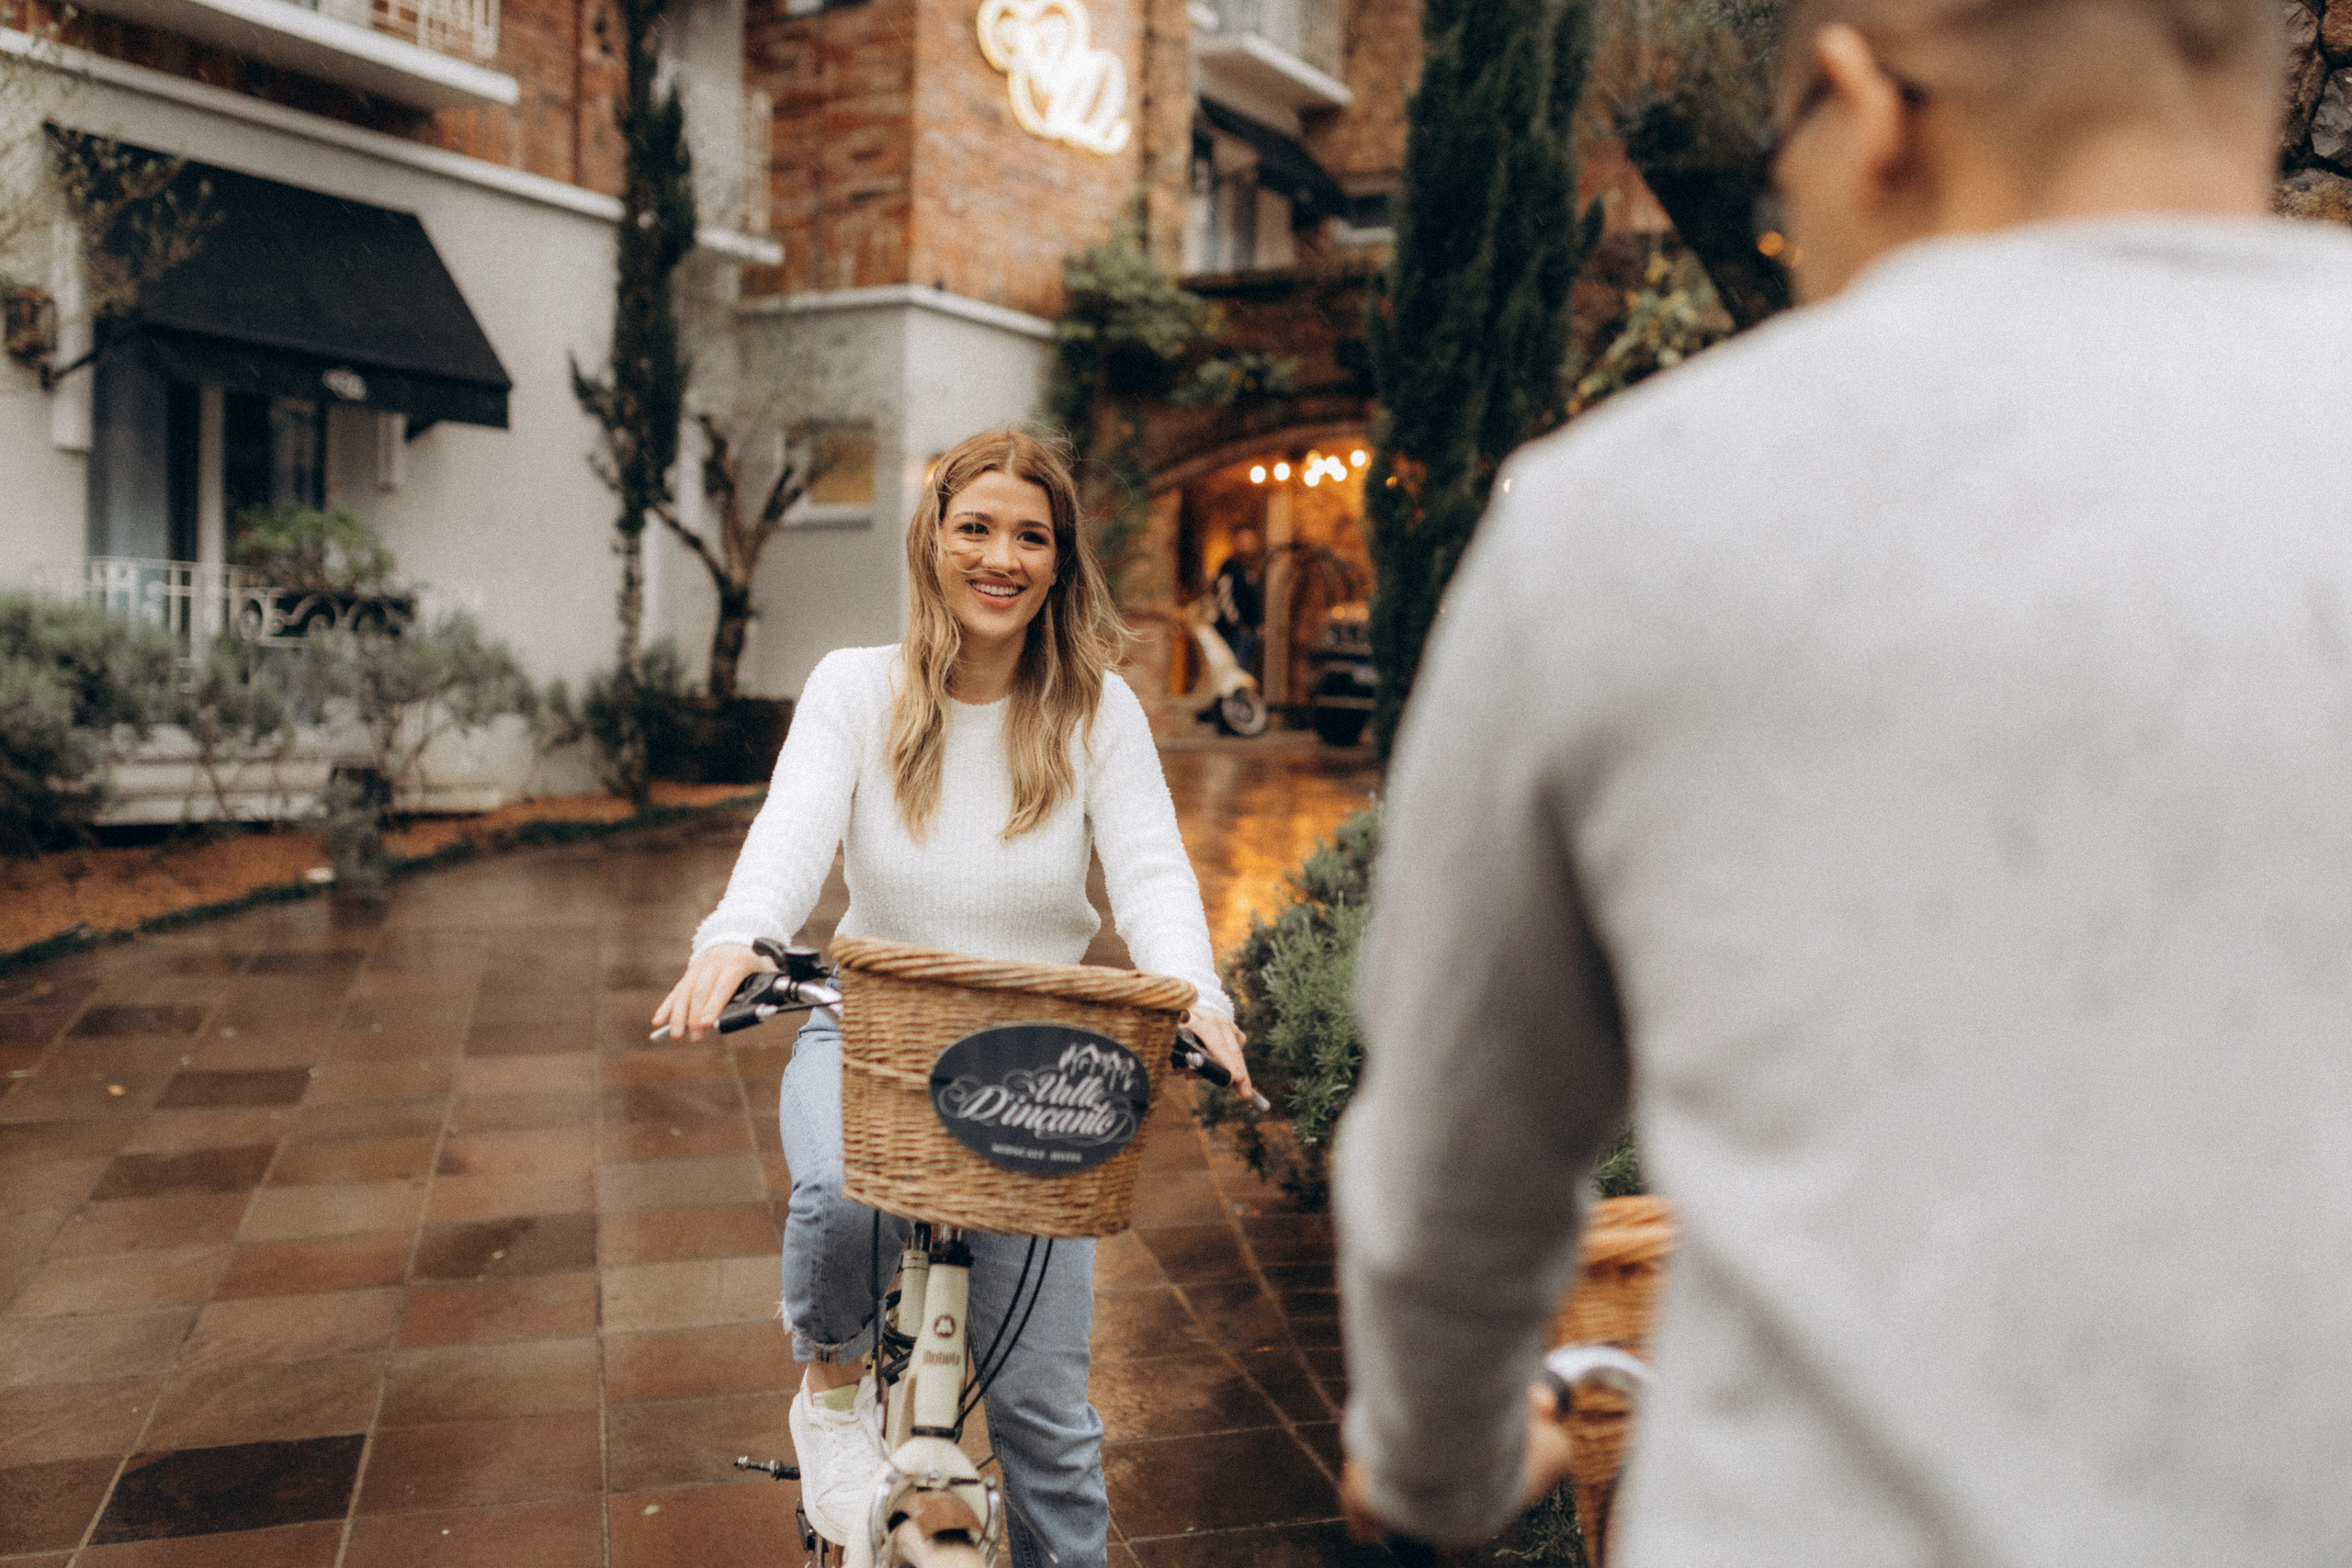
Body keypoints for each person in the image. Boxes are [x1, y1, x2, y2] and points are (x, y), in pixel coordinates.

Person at [1337, 2, 2352, 1563]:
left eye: (1775, 162)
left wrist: (1440, 1467)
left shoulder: (1622, 517)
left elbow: (1449, 1172)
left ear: (1867, 103)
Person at [654, 427, 1250, 1568]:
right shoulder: (856, 687)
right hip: (872, 1030)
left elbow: (1152, 873)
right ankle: (832, 1403)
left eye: (1031, 537)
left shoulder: (1097, 711)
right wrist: (735, 936)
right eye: (974, 527)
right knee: (839, 1196)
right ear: (932, 540)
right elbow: (791, 835)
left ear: (1060, 563)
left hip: (1040, 1066)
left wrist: (1198, 998)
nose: (1000, 558)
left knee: (1047, 1425)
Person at [1212, 525, 1265, 679]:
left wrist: (1258, 623)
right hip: (1235, 633)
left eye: (1251, 540)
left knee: (1243, 673)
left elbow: (1252, 599)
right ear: (1235, 541)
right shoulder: (1229, 567)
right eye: (1244, 540)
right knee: (1234, 673)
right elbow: (1225, 598)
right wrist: (1238, 624)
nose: (1248, 544)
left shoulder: (1248, 569)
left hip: (1249, 632)